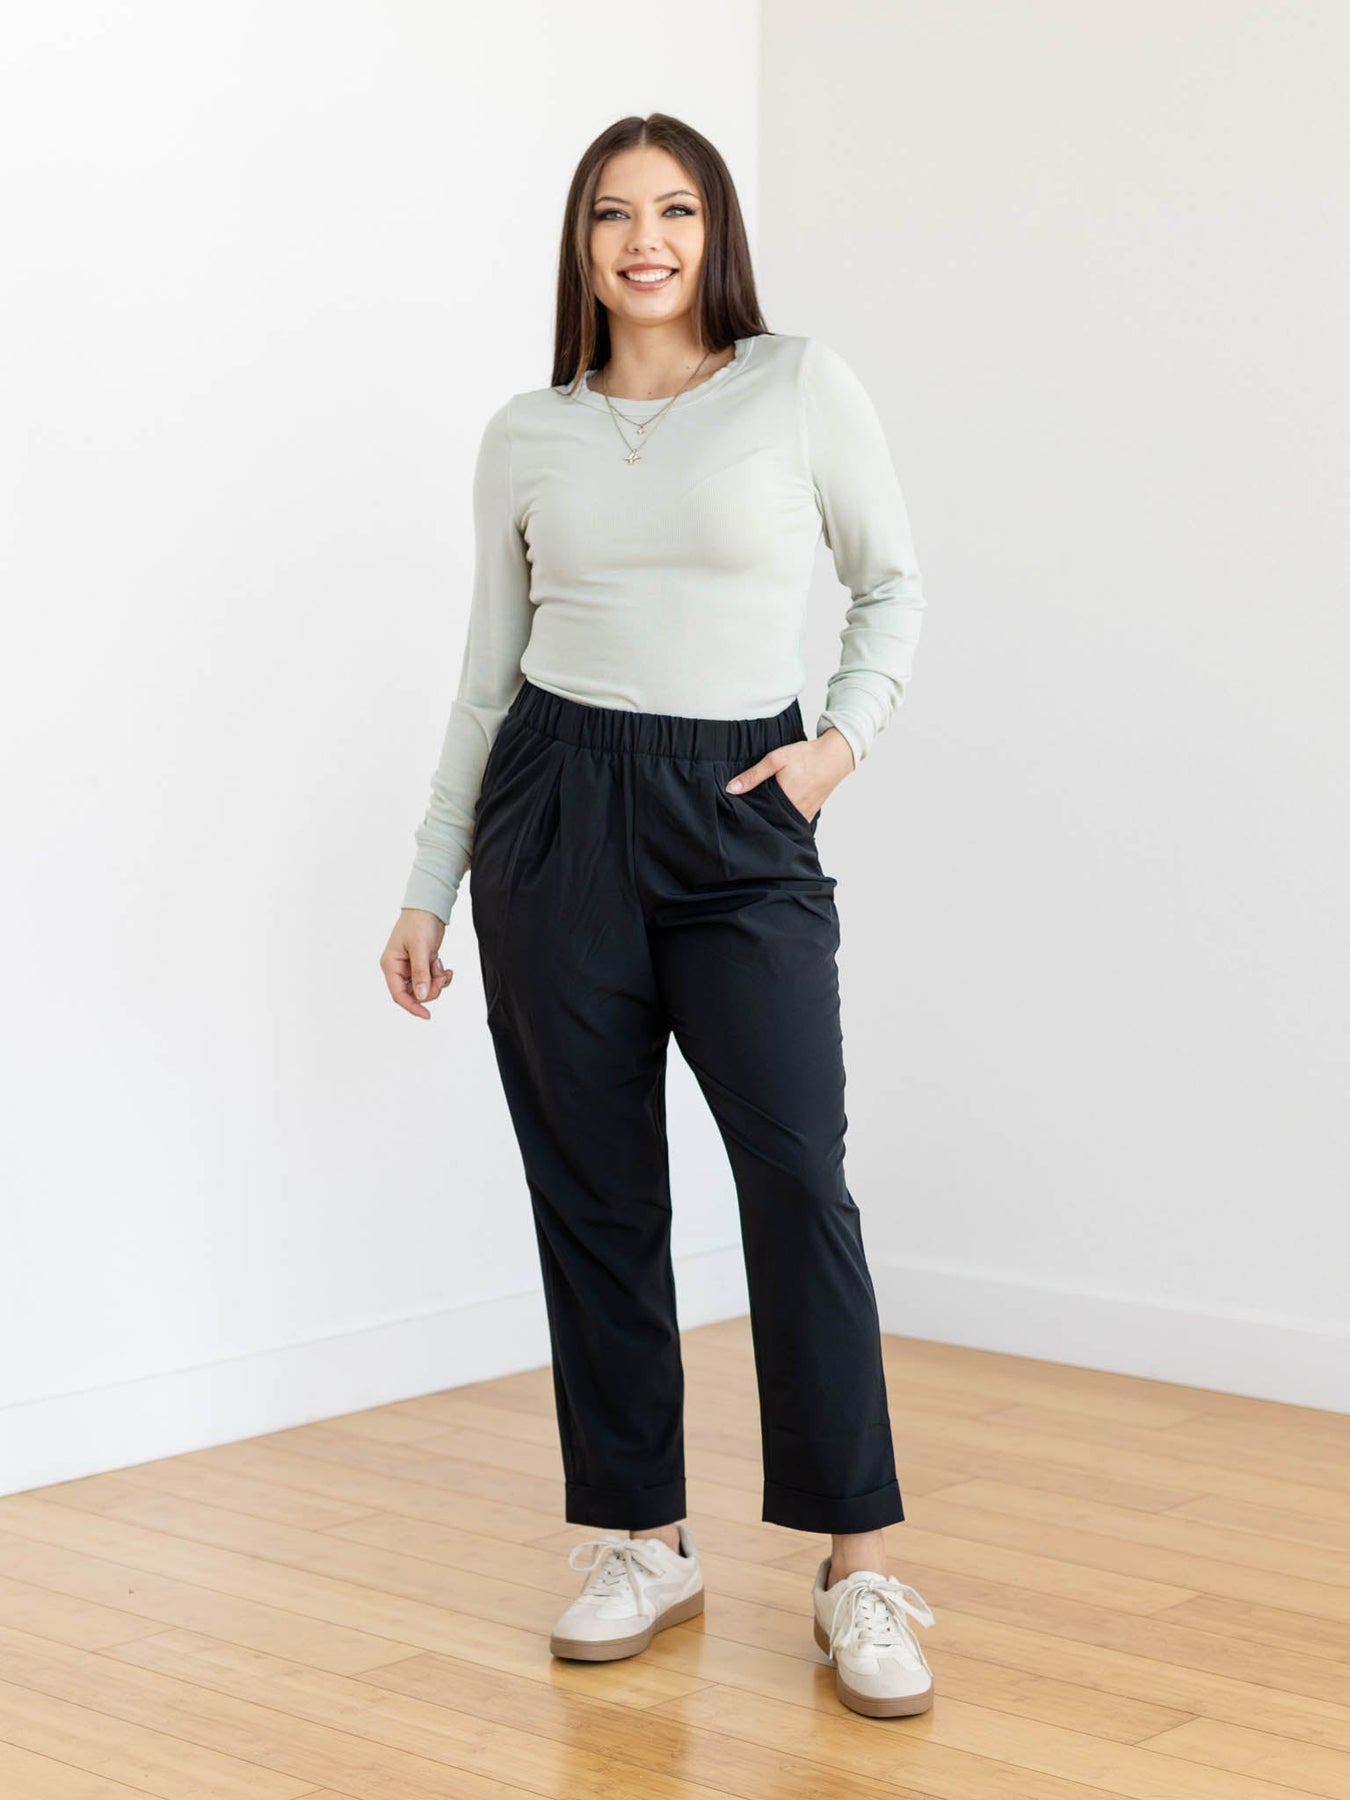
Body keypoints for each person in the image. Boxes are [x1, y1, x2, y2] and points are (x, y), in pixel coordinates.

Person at [379, 112, 937, 1720]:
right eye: (614, 214)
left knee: (797, 1179)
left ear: (713, 233)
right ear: (580, 243)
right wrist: (427, 883)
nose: (645, 240)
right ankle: (640, 1536)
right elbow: (486, 674)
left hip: (739, 812)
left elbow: (891, 583)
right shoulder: (526, 433)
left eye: (675, 210)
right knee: (596, 1194)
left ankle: (857, 1566)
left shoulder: (795, 386)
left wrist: (836, 747)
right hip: (552, 813)